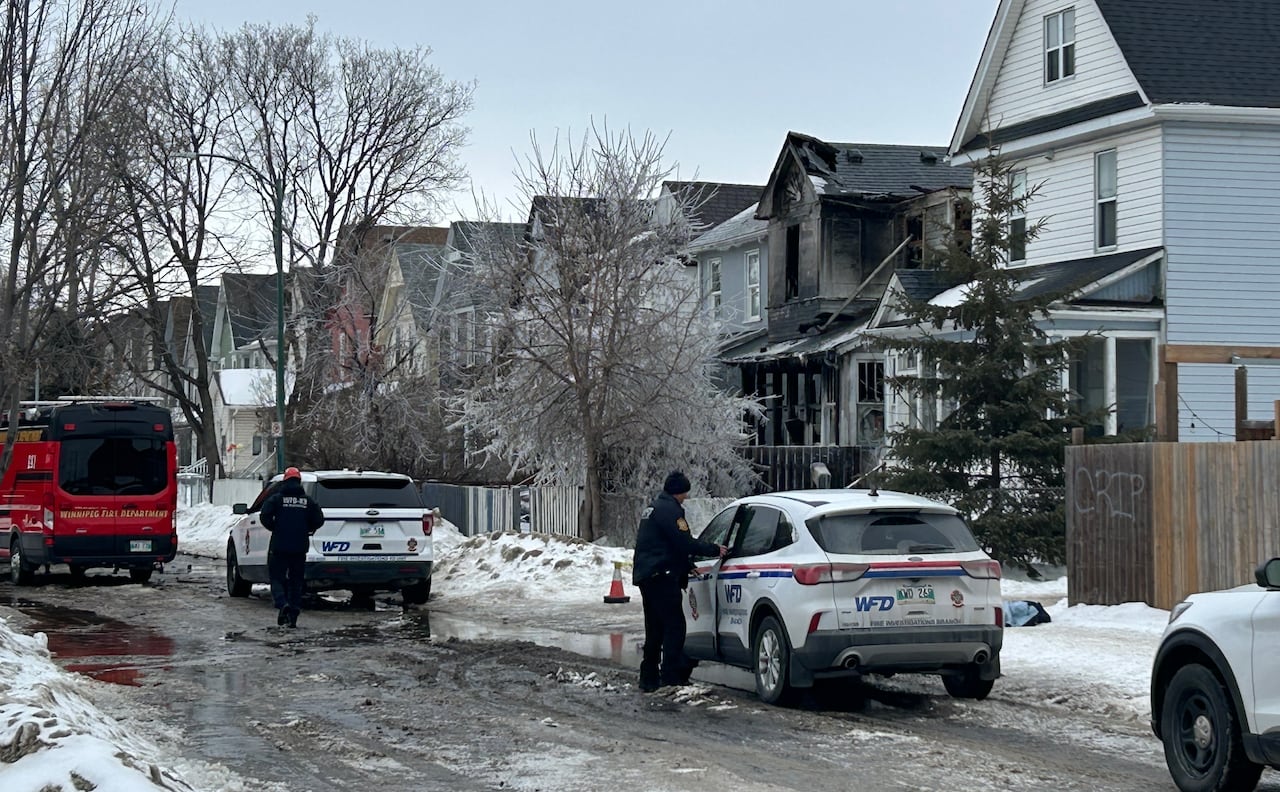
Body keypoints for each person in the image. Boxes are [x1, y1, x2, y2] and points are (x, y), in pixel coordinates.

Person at [631, 470, 727, 692]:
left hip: (648, 576)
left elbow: (663, 545)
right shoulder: (671, 511)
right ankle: (671, 676)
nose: (686, 497)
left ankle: (648, 677)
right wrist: (714, 549)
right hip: (662, 577)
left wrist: (685, 566)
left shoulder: (653, 508)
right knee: (675, 626)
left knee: (654, 627)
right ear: (679, 491)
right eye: (685, 493)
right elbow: (683, 542)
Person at [260, 466, 325, 628]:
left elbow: (264, 515)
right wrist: (306, 528)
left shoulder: (277, 499)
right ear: (299, 481)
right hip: (299, 547)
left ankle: (282, 604)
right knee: (296, 581)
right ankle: (293, 613)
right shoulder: (307, 501)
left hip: (279, 545)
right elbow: (319, 520)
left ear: (285, 481)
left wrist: (274, 527)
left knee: (276, 577)